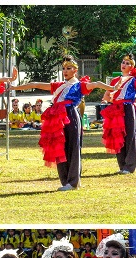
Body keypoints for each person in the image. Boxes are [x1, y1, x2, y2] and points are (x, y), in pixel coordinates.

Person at [16, 56, 105, 190]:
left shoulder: (79, 85)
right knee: (59, 147)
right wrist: (14, 87)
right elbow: (35, 84)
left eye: (69, 68)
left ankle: (73, 181)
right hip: (57, 118)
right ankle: (65, 181)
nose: (65, 71)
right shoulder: (59, 85)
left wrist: (112, 87)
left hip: (70, 116)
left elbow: (97, 83)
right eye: (64, 68)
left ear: (75, 70)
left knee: (72, 148)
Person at [99, 54, 136, 175]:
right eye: (123, 62)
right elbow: (106, 96)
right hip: (116, 110)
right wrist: (114, 101)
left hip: (128, 108)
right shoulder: (115, 81)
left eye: (127, 63)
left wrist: (131, 100)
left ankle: (130, 166)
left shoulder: (134, 80)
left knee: (130, 135)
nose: (124, 65)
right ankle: (122, 165)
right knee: (118, 136)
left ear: (132, 66)